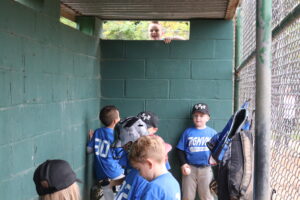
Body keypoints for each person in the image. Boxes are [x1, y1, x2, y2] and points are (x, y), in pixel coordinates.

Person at [176, 103, 217, 200]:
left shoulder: (212, 133)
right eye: (196, 115)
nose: (198, 118)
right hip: (190, 169)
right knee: (187, 196)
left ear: (208, 118)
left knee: (207, 197)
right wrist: (183, 164)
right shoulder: (188, 132)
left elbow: (218, 152)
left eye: (202, 116)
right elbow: (179, 150)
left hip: (206, 169)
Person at [87, 105, 125, 200]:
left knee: (109, 197)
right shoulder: (116, 136)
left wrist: (92, 140)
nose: (120, 118)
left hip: (101, 174)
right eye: (119, 117)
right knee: (129, 183)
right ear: (115, 121)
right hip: (114, 173)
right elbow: (119, 156)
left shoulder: (97, 132)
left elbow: (89, 150)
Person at [129, 135, 181, 200]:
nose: (140, 174)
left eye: (139, 169)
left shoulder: (153, 188)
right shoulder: (174, 182)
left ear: (149, 164)